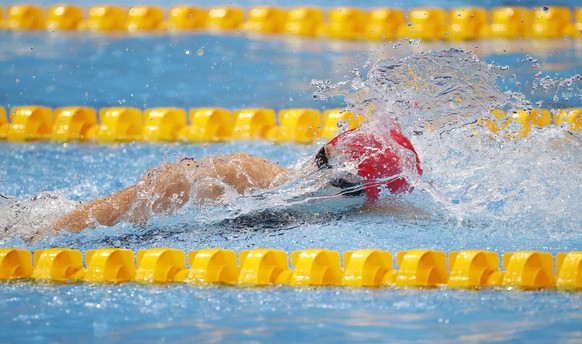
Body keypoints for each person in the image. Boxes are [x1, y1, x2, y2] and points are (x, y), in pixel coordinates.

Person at [32, 126, 422, 241]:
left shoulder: (336, 211)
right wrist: (42, 236)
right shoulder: (244, 175)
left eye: (360, 197)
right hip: (45, 229)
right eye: (351, 189)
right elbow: (132, 201)